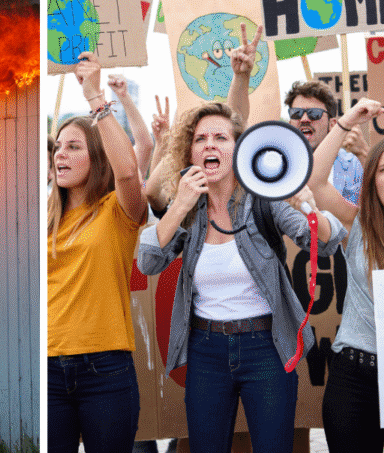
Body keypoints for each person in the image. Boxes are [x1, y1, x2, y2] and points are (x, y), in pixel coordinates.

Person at [136, 100, 345, 453]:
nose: (210, 145)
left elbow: (327, 243)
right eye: (201, 139)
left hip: (266, 347)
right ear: (190, 151)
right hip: (205, 350)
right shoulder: (189, 207)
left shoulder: (264, 199)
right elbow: (148, 262)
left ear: (238, 148)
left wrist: (307, 204)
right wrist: (180, 206)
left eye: (221, 137)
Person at [48, 51, 148, 453]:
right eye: (57, 146)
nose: (60, 154)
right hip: (50, 370)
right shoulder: (45, 219)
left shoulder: (116, 212)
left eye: (73, 147)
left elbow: (127, 170)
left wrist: (96, 98)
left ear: (96, 157)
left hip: (105, 370)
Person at [307, 97, 384, 452]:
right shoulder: (359, 226)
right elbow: (316, 181)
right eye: (382, 170)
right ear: (371, 180)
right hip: (354, 377)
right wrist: (347, 120)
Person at [284, 80, 369, 204]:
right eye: (296, 113)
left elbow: (372, 209)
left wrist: (363, 153)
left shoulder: (352, 165)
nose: (304, 119)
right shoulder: (278, 164)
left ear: (332, 124)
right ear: (290, 122)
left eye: (314, 114)